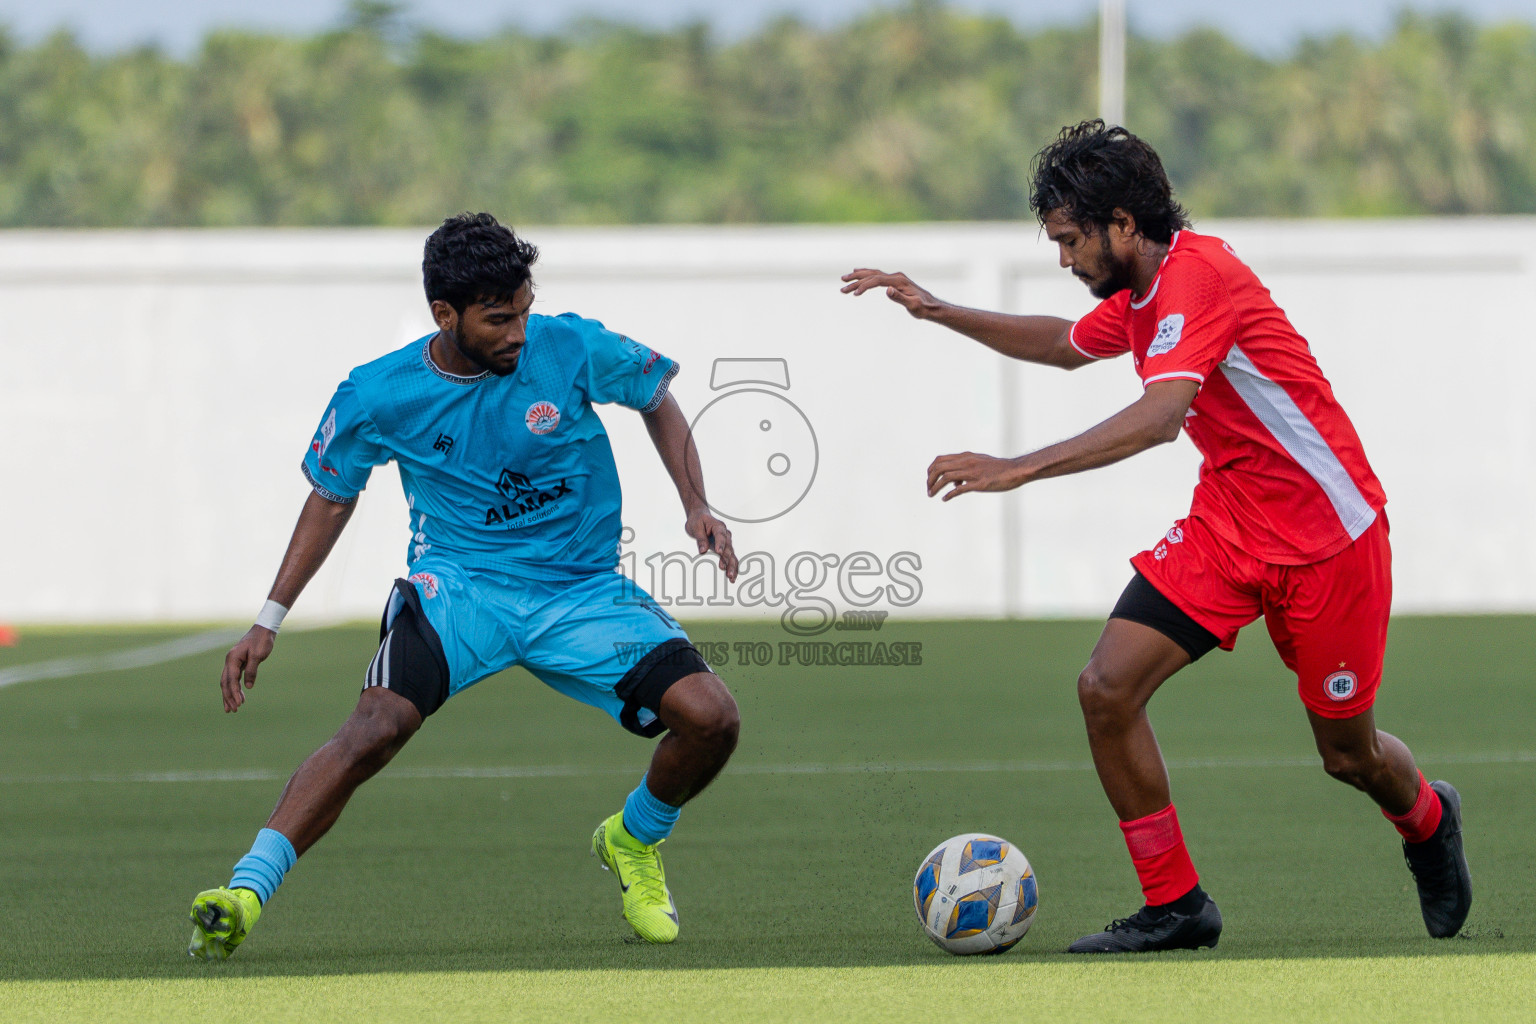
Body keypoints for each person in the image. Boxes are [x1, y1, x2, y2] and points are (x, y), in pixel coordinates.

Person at [842, 120, 1471, 953]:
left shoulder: (1199, 278)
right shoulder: (1138, 296)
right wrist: (938, 309)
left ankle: (1427, 819)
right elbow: (1066, 347)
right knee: (1106, 687)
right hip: (1230, 525)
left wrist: (1017, 467)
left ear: (1123, 225)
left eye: (1071, 240)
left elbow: (1159, 418)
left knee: (1349, 756)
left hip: (1330, 540)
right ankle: (1177, 905)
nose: (1064, 260)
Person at [188, 212, 741, 959]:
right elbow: (331, 494)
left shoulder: (570, 345)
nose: (518, 333)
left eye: (523, 311)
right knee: (375, 727)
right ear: (444, 315)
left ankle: (633, 839)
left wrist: (695, 504)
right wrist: (268, 618)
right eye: (497, 319)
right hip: (461, 590)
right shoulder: (380, 394)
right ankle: (244, 892)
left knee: (713, 719)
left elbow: (656, 399)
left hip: (579, 592)